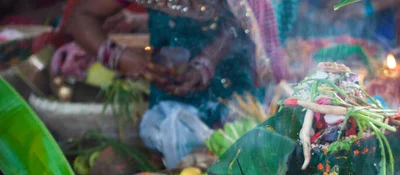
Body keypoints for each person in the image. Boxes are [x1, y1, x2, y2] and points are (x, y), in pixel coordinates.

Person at [65, 0, 288, 127]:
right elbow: (81, 16)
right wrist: (119, 57)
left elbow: (242, 21)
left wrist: (208, 60)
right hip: (170, 101)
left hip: (237, 97)